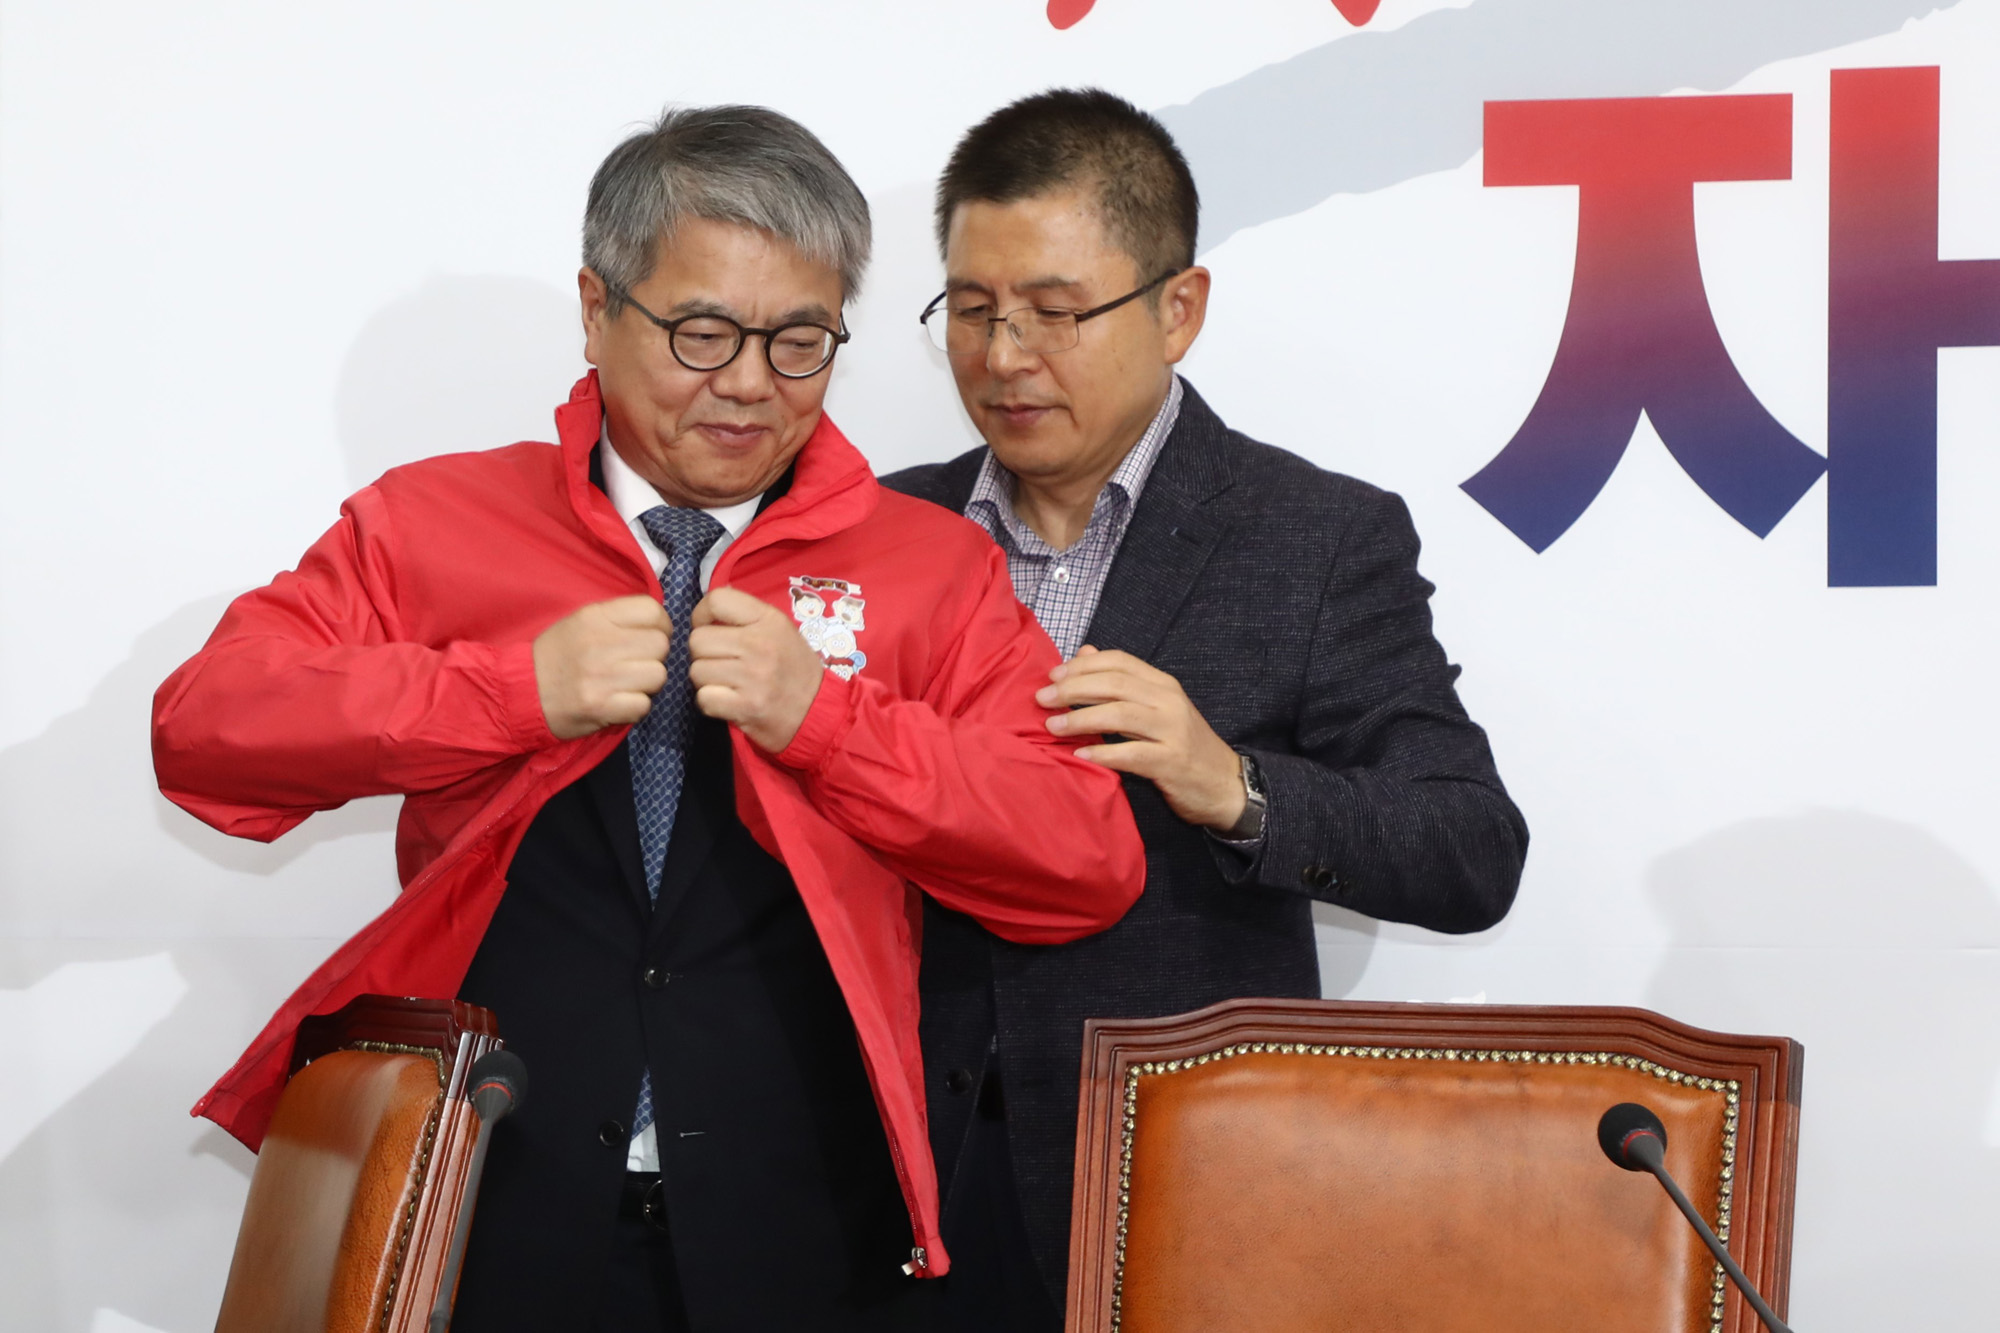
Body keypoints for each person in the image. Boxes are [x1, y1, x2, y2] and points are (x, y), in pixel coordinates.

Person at [152, 105, 1145, 1332]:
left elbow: (1082, 858)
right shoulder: (434, 521)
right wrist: (510, 690)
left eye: (798, 341)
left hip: (810, 1226)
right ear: (594, 306)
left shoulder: (925, 566)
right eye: (700, 330)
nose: (747, 383)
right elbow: (205, 731)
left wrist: (828, 724)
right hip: (479, 1199)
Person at [883, 88, 1531, 1330]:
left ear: (1177, 308)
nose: (1006, 355)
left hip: (1178, 1190)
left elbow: (1469, 849)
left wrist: (1232, 783)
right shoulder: (881, 530)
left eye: (1055, 312)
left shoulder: (1315, 538)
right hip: (897, 1186)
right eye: (971, 310)